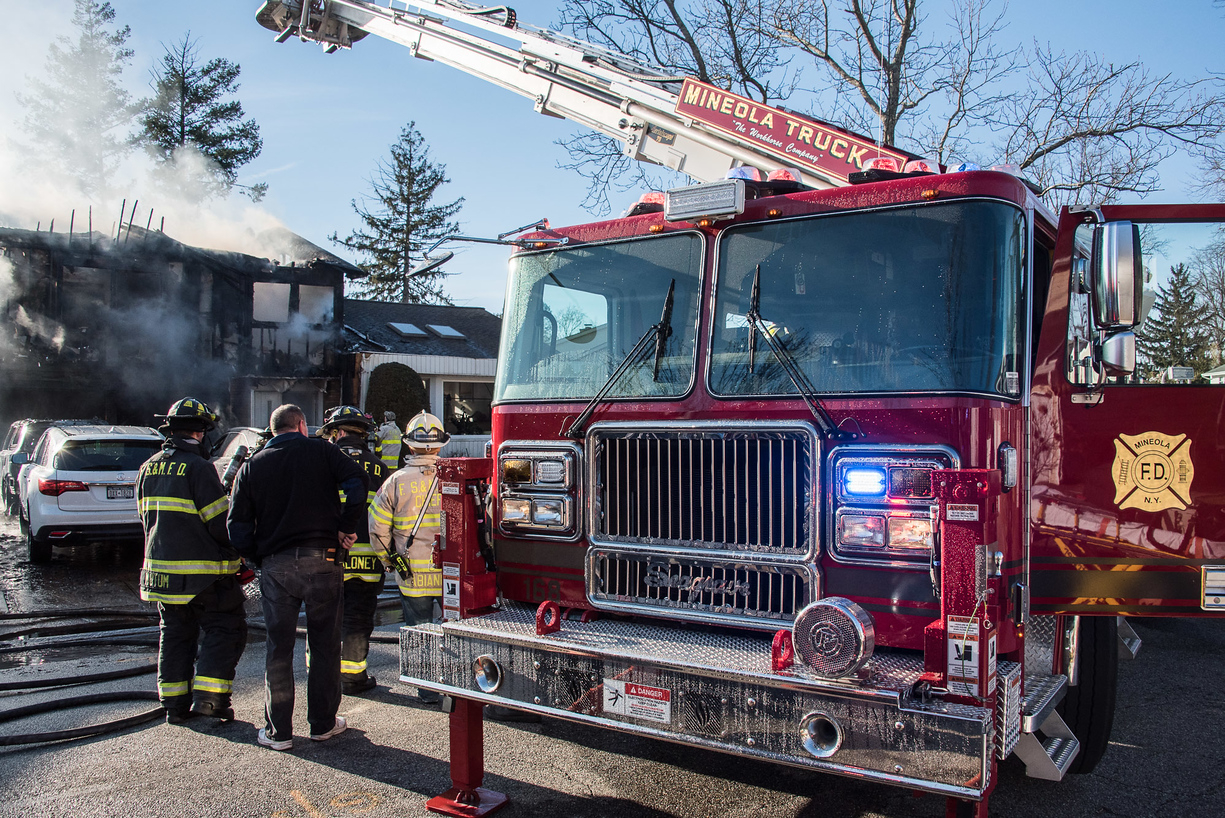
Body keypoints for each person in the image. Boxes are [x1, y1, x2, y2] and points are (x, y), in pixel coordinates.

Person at [227, 404, 366, 751]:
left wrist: (260, 559)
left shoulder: (253, 464)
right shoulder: (323, 450)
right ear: (302, 425)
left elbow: (236, 526)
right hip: (325, 561)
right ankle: (322, 724)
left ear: (273, 429)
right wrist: (345, 529)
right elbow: (358, 482)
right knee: (323, 646)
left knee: (279, 649)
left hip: (277, 566)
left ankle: (279, 732)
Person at [137, 397, 247, 724]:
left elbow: (147, 521)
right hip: (202, 576)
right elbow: (219, 524)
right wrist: (239, 555)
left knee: (174, 635)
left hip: (159, 574)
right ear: (200, 432)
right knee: (225, 629)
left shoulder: (148, 467)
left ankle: (174, 706)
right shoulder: (199, 468)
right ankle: (211, 702)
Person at [369, 410, 448, 703]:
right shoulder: (455, 475)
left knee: (419, 632)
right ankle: (459, 685)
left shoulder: (396, 482)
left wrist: (389, 561)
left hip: (412, 575)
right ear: (441, 444)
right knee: (455, 631)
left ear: (409, 444)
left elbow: (377, 528)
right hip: (450, 575)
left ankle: (427, 689)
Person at [318, 406, 388, 695]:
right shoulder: (380, 468)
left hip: (330, 558)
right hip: (370, 559)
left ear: (340, 432)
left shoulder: (323, 463)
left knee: (324, 618)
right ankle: (353, 677)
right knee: (359, 618)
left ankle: (322, 676)